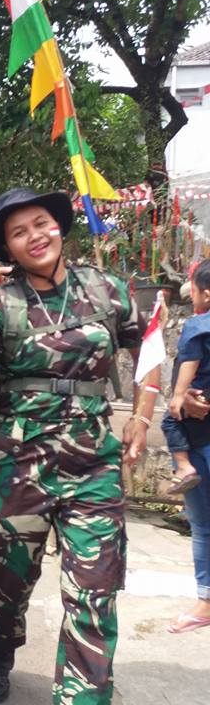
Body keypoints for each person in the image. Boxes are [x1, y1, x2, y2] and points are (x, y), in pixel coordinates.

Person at [0, 187, 156, 705]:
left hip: (94, 465)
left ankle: (83, 695)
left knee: (95, 589)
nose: (34, 236)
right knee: (6, 579)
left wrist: (142, 415)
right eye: (19, 232)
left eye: (41, 223)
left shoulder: (106, 289)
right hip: (17, 464)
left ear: (58, 226)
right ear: (9, 249)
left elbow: (149, 344)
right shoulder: (1, 303)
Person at [162, 259, 210, 633]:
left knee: (204, 525)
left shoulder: (197, 326)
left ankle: (205, 603)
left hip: (200, 438)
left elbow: (188, 367)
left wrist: (181, 396)